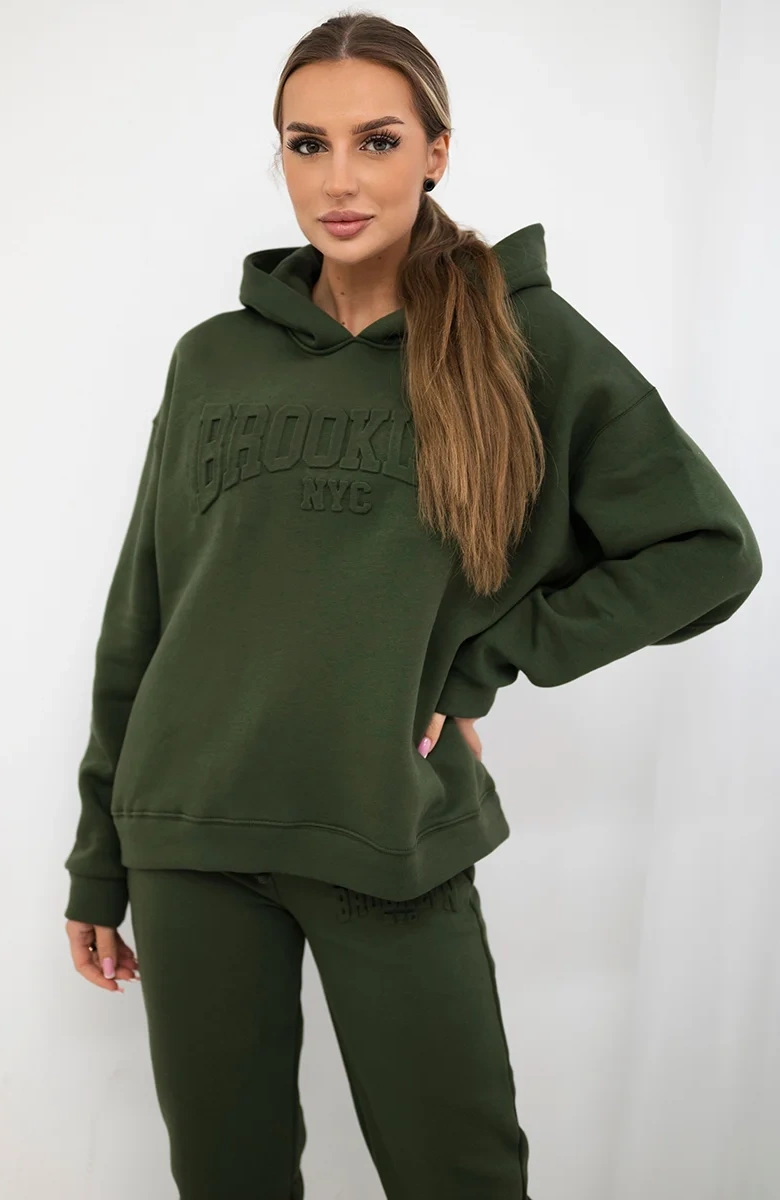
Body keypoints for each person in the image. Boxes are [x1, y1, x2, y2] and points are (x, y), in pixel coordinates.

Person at [62, 12, 763, 1200]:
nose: (337, 180)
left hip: (385, 824)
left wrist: (477, 661)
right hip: (187, 832)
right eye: (306, 144)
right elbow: (146, 611)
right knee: (226, 1179)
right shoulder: (212, 359)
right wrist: (97, 856)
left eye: (375, 141)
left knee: (459, 1172)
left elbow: (705, 549)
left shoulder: (519, 339)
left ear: (435, 151)